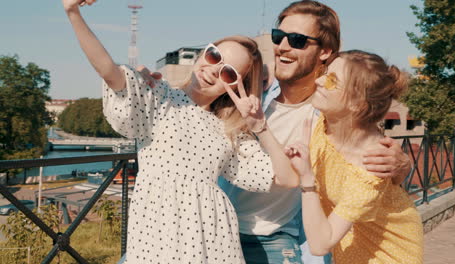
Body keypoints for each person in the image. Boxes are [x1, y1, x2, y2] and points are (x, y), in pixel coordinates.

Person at [138, 1, 412, 263]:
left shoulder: (329, 111)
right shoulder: (250, 92)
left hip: (271, 239)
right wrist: (148, 90)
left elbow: (368, 150)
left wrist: (401, 165)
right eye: (279, 36)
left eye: (297, 40)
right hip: (205, 228)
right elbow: (190, 115)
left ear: (325, 51)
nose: (282, 46)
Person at [62, 0, 302, 263]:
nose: (213, 71)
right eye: (213, 56)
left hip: (214, 240)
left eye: (228, 73)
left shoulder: (230, 130)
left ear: (237, 85)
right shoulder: (161, 96)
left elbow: (287, 179)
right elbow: (110, 72)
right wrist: (73, 14)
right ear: (202, 54)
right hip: (156, 236)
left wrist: (261, 127)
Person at [285, 51, 423, 264]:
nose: (319, 81)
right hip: (351, 243)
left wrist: (307, 179)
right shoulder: (325, 121)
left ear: (357, 104)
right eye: (325, 73)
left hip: (387, 255)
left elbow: (320, 244)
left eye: (332, 81)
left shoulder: (371, 165)